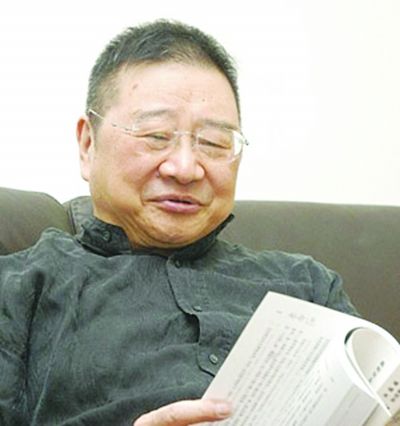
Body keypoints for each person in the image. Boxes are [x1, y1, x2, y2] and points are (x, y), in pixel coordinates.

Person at [0, 20, 358, 426]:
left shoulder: (307, 287)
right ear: (88, 145)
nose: (186, 168)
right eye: (155, 135)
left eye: (214, 143)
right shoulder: (17, 289)